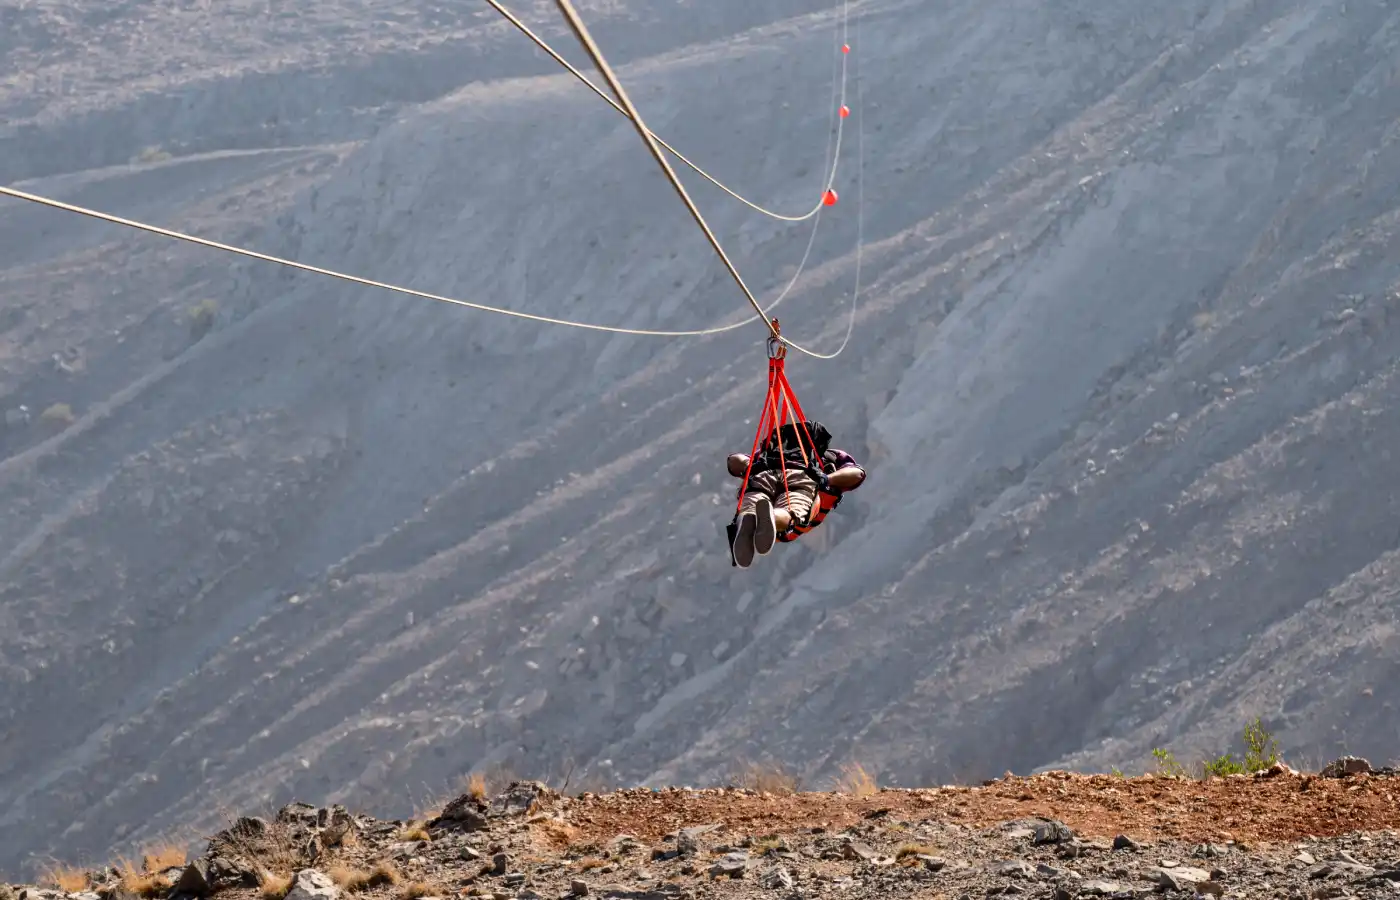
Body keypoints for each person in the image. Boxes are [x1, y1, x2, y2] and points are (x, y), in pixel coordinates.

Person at [725, 419, 867, 568]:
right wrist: (826, 479)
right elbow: (858, 474)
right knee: (791, 510)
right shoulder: (827, 457)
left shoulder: (769, 454)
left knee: (752, 502)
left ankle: (747, 518)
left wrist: (751, 466)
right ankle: (773, 517)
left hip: (765, 475)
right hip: (801, 479)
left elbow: (733, 461)